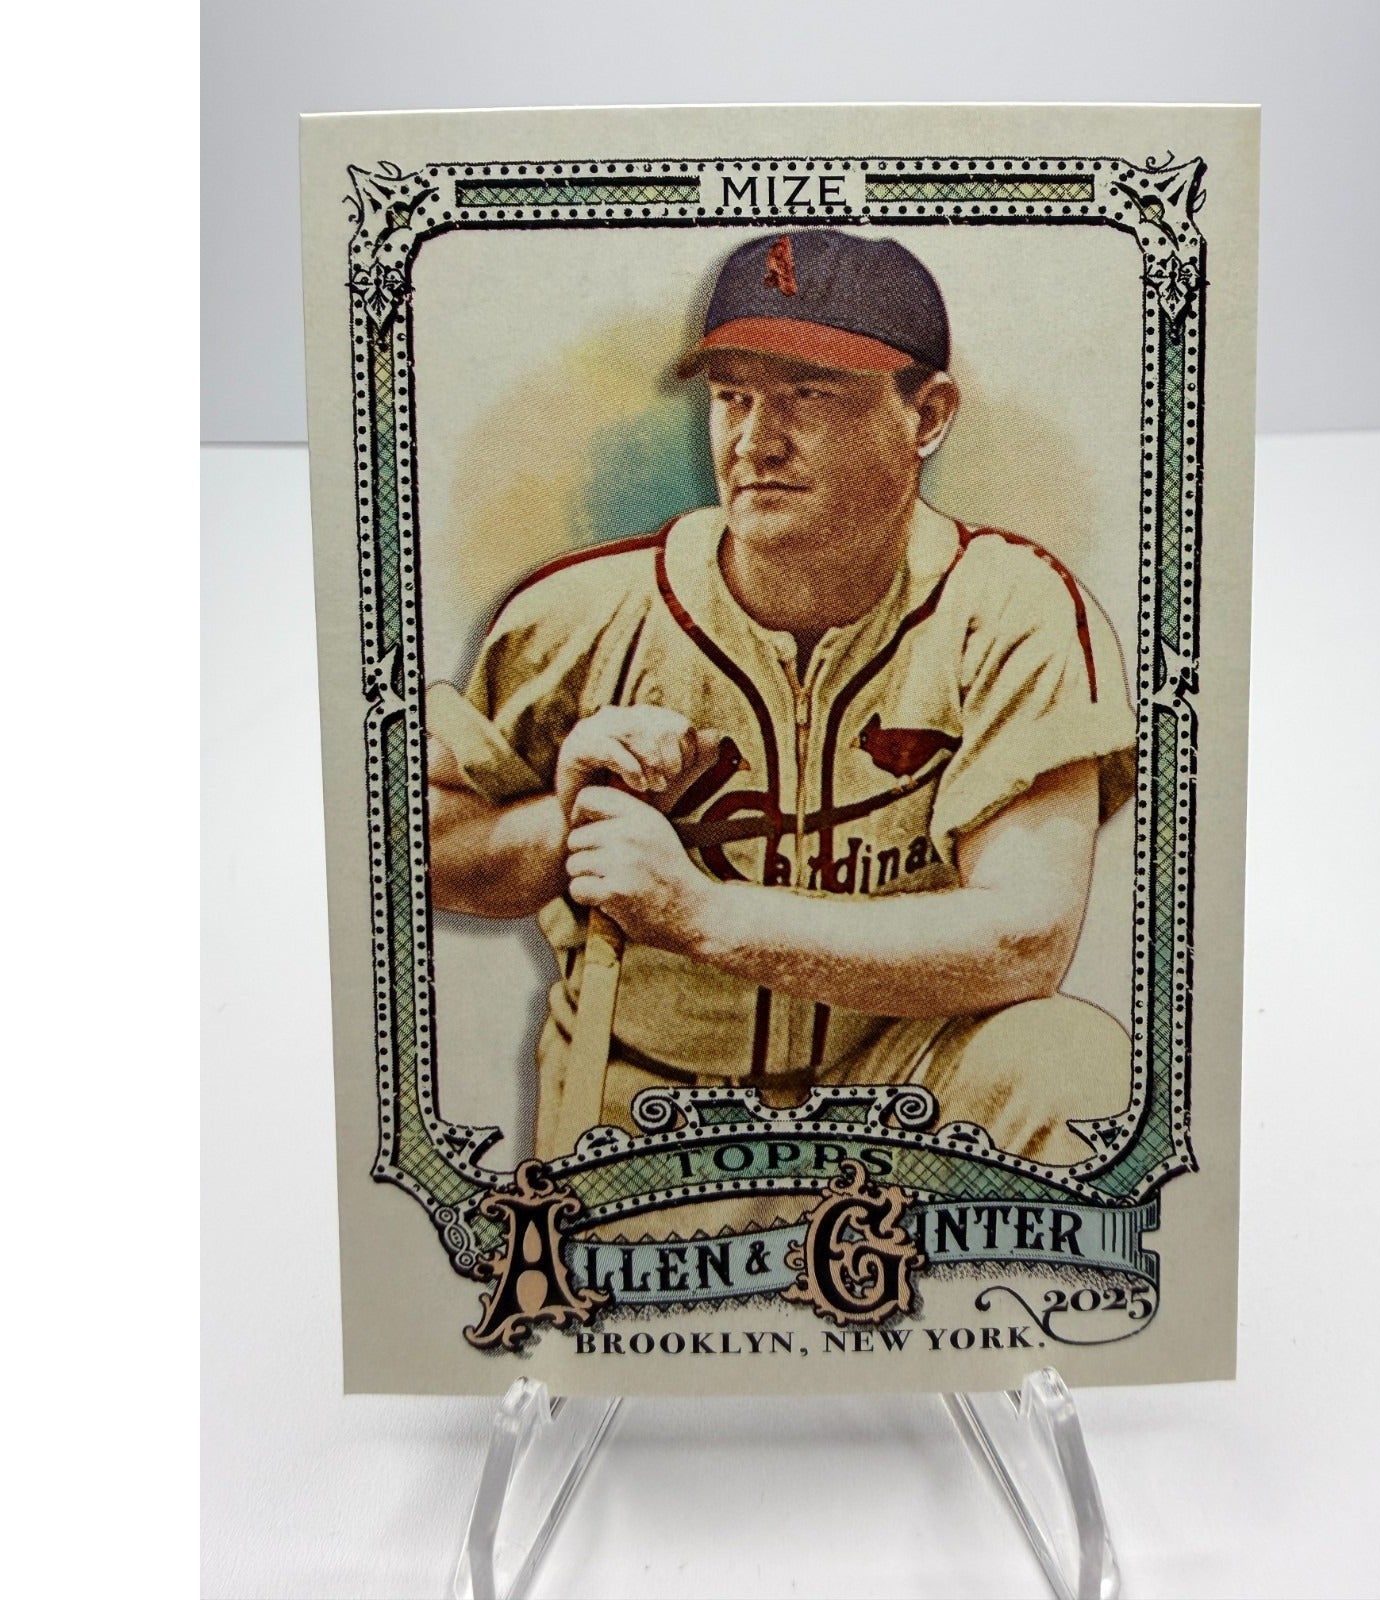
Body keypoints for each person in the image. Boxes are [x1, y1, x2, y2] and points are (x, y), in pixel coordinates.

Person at [425, 229, 1137, 1168]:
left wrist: (699, 913)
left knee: (1070, 1063)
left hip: (909, 1087)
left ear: (927, 417)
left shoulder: (1008, 611)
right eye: (734, 397)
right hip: (654, 1101)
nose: (757, 441)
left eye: (810, 395)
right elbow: (424, 850)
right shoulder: (578, 618)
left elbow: (1022, 939)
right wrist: (569, 818)